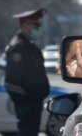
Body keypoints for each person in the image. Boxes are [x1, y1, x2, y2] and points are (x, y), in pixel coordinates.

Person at [4, 8, 50, 136]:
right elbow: (11, 81)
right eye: (35, 25)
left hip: (34, 103)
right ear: (25, 25)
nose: (37, 29)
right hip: (27, 106)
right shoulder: (18, 47)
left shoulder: (29, 46)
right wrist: (24, 103)